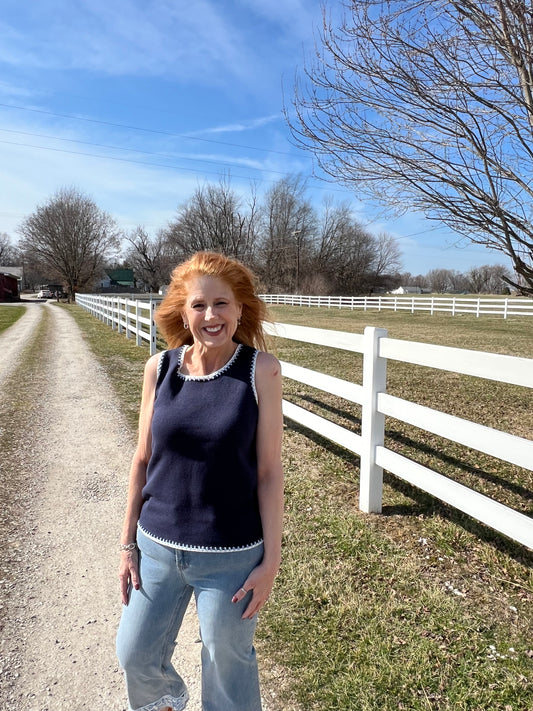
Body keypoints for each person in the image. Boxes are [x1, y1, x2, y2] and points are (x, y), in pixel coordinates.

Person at [116, 251, 284, 711]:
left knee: (226, 664)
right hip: (156, 547)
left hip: (231, 556)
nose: (211, 316)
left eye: (222, 304)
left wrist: (270, 562)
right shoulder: (160, 368)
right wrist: (128, 544)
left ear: (240, 308)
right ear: (182, 311)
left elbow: (269, 473)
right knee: (133, 656)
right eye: (199, 305)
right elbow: (142, 459)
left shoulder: (261, 371)